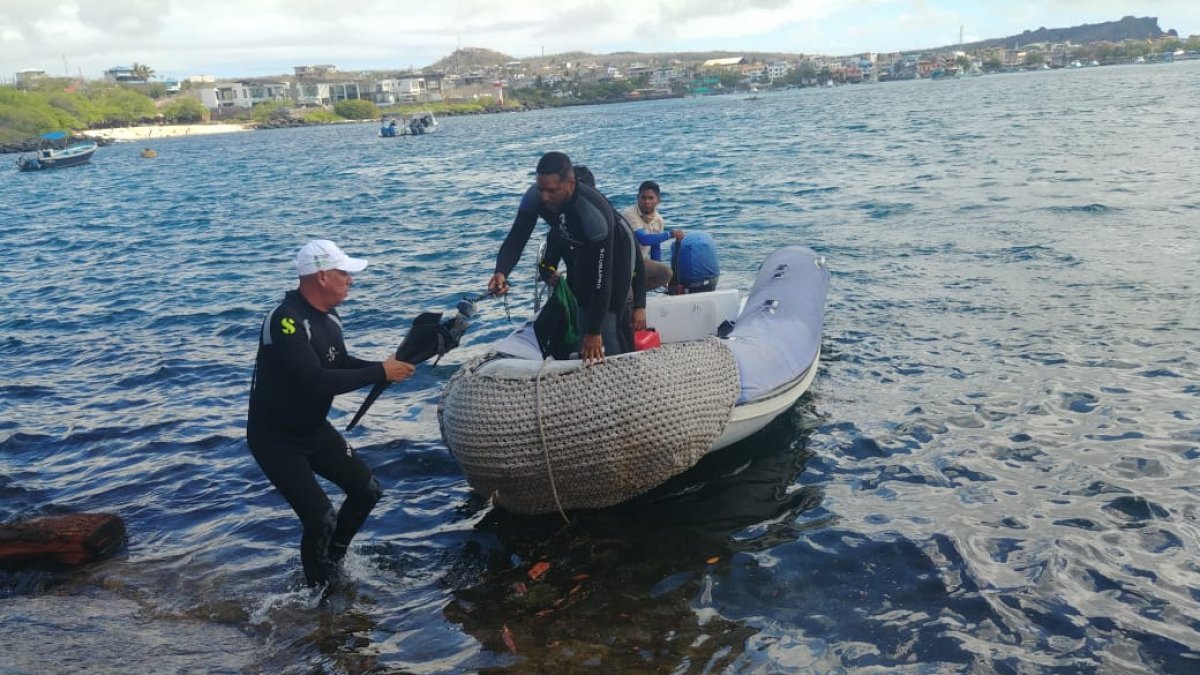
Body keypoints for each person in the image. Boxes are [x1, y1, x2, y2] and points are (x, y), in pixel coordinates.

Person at [247, 239, 415, 588]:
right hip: (276, 440)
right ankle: (317, 599)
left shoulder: (328, 318)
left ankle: (334, 563)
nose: (350, 279)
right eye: (344, 273)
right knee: (320, 516)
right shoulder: (285, 321)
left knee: (367, 490)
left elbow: (339, 364)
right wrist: (378, 373)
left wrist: (387, 367)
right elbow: (315, 382)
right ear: (322, 276)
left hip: (312, 430)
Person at [489, 152, 646, 363]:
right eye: (541, 188)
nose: (544, 197)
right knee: (581, 315)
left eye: (552, 191)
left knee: (607, 325)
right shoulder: (536, 197)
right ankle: (594, 381)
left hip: (615, 258)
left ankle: (627, 381)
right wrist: (501, 272)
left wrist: (594, 332)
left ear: (571, 183)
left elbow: (603, 279)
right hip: (581, 253)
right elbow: (517, 237)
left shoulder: (592, 213)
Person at [621, 181, 684, 290]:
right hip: (623, 261)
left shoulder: (658, 219)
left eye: (651, 198)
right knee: (665, 272)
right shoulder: (629, 214)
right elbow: (644, 239)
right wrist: (671, 234)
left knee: (665, 274)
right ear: (637, 198)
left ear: (658, 200)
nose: (647, 201)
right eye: (643, 198)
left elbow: (655, 247)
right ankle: (630, 294)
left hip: (639, 262)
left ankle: (635, 293)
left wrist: (658, 267)